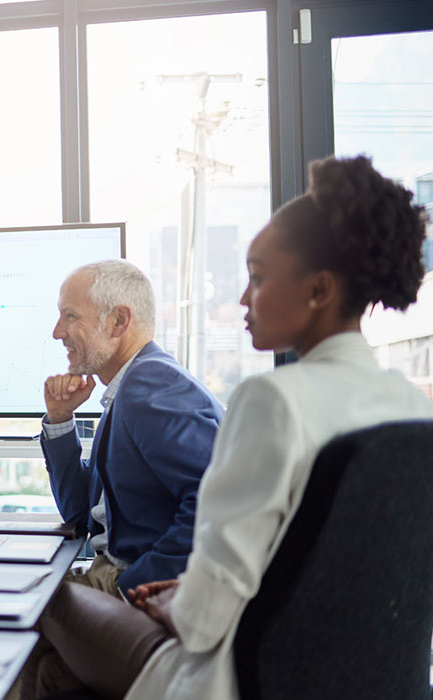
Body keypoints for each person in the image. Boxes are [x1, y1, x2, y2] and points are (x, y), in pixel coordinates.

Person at [33, 154, 433, 700]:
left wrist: (166, 596)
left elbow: (201, 618)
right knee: (57, 676)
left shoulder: (273, 400)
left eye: (258, 278)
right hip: (349, 675)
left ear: (319, 290)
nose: (243, 299)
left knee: (41, 594)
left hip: (230, 675)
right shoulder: (409, 406)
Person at [41, 260, 222, 597]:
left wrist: (137, 585)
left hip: (130, 579)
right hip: (110, 569)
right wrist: (60, 419)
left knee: (3, 617)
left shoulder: (151, 384)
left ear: (119, 321)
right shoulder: (128, 389)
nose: (57, 332)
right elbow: (80, 512)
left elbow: (217, 500)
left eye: (70, 316)